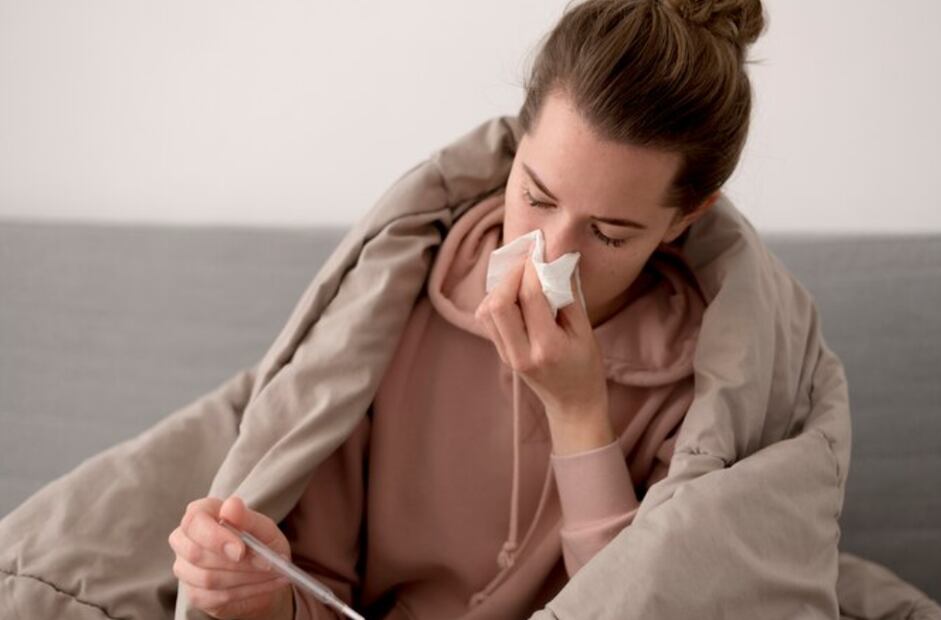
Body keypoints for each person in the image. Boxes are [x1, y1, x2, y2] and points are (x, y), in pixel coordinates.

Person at [167, 0, 766, 617]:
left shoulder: (702, 394)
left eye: (608, 234)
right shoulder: (394, 311)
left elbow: (635, 608)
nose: (549, 253)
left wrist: (578, 412)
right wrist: (261, 598)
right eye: (536, 197)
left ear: (684, 218)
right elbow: (319, 589)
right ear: (514, 150)